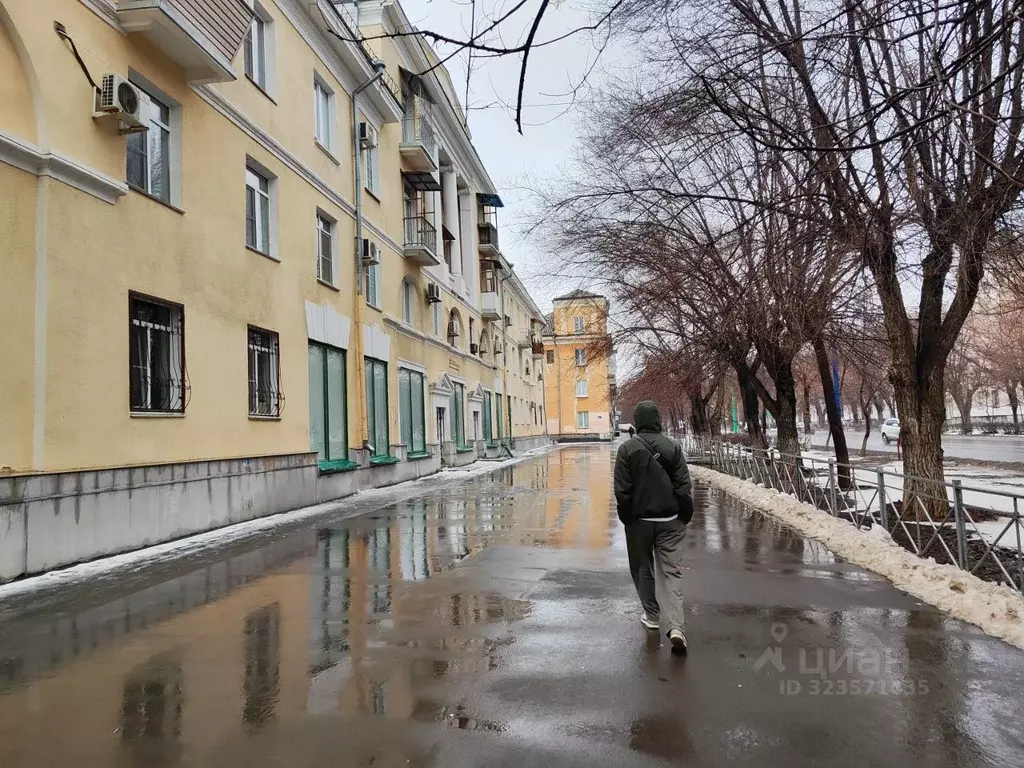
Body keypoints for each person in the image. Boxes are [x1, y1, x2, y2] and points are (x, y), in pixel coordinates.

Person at [614, 401, 694, 653]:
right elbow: (683, 484)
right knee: (671, 573)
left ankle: (651, 615)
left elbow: (622, 490)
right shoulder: (672, 446)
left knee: (642, 569)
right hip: (671, 521)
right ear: (658, 419)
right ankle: (677, 627)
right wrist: (684, 514)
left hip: (639, 523)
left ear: (637, 421)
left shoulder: (627, 448)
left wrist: (628, 518)